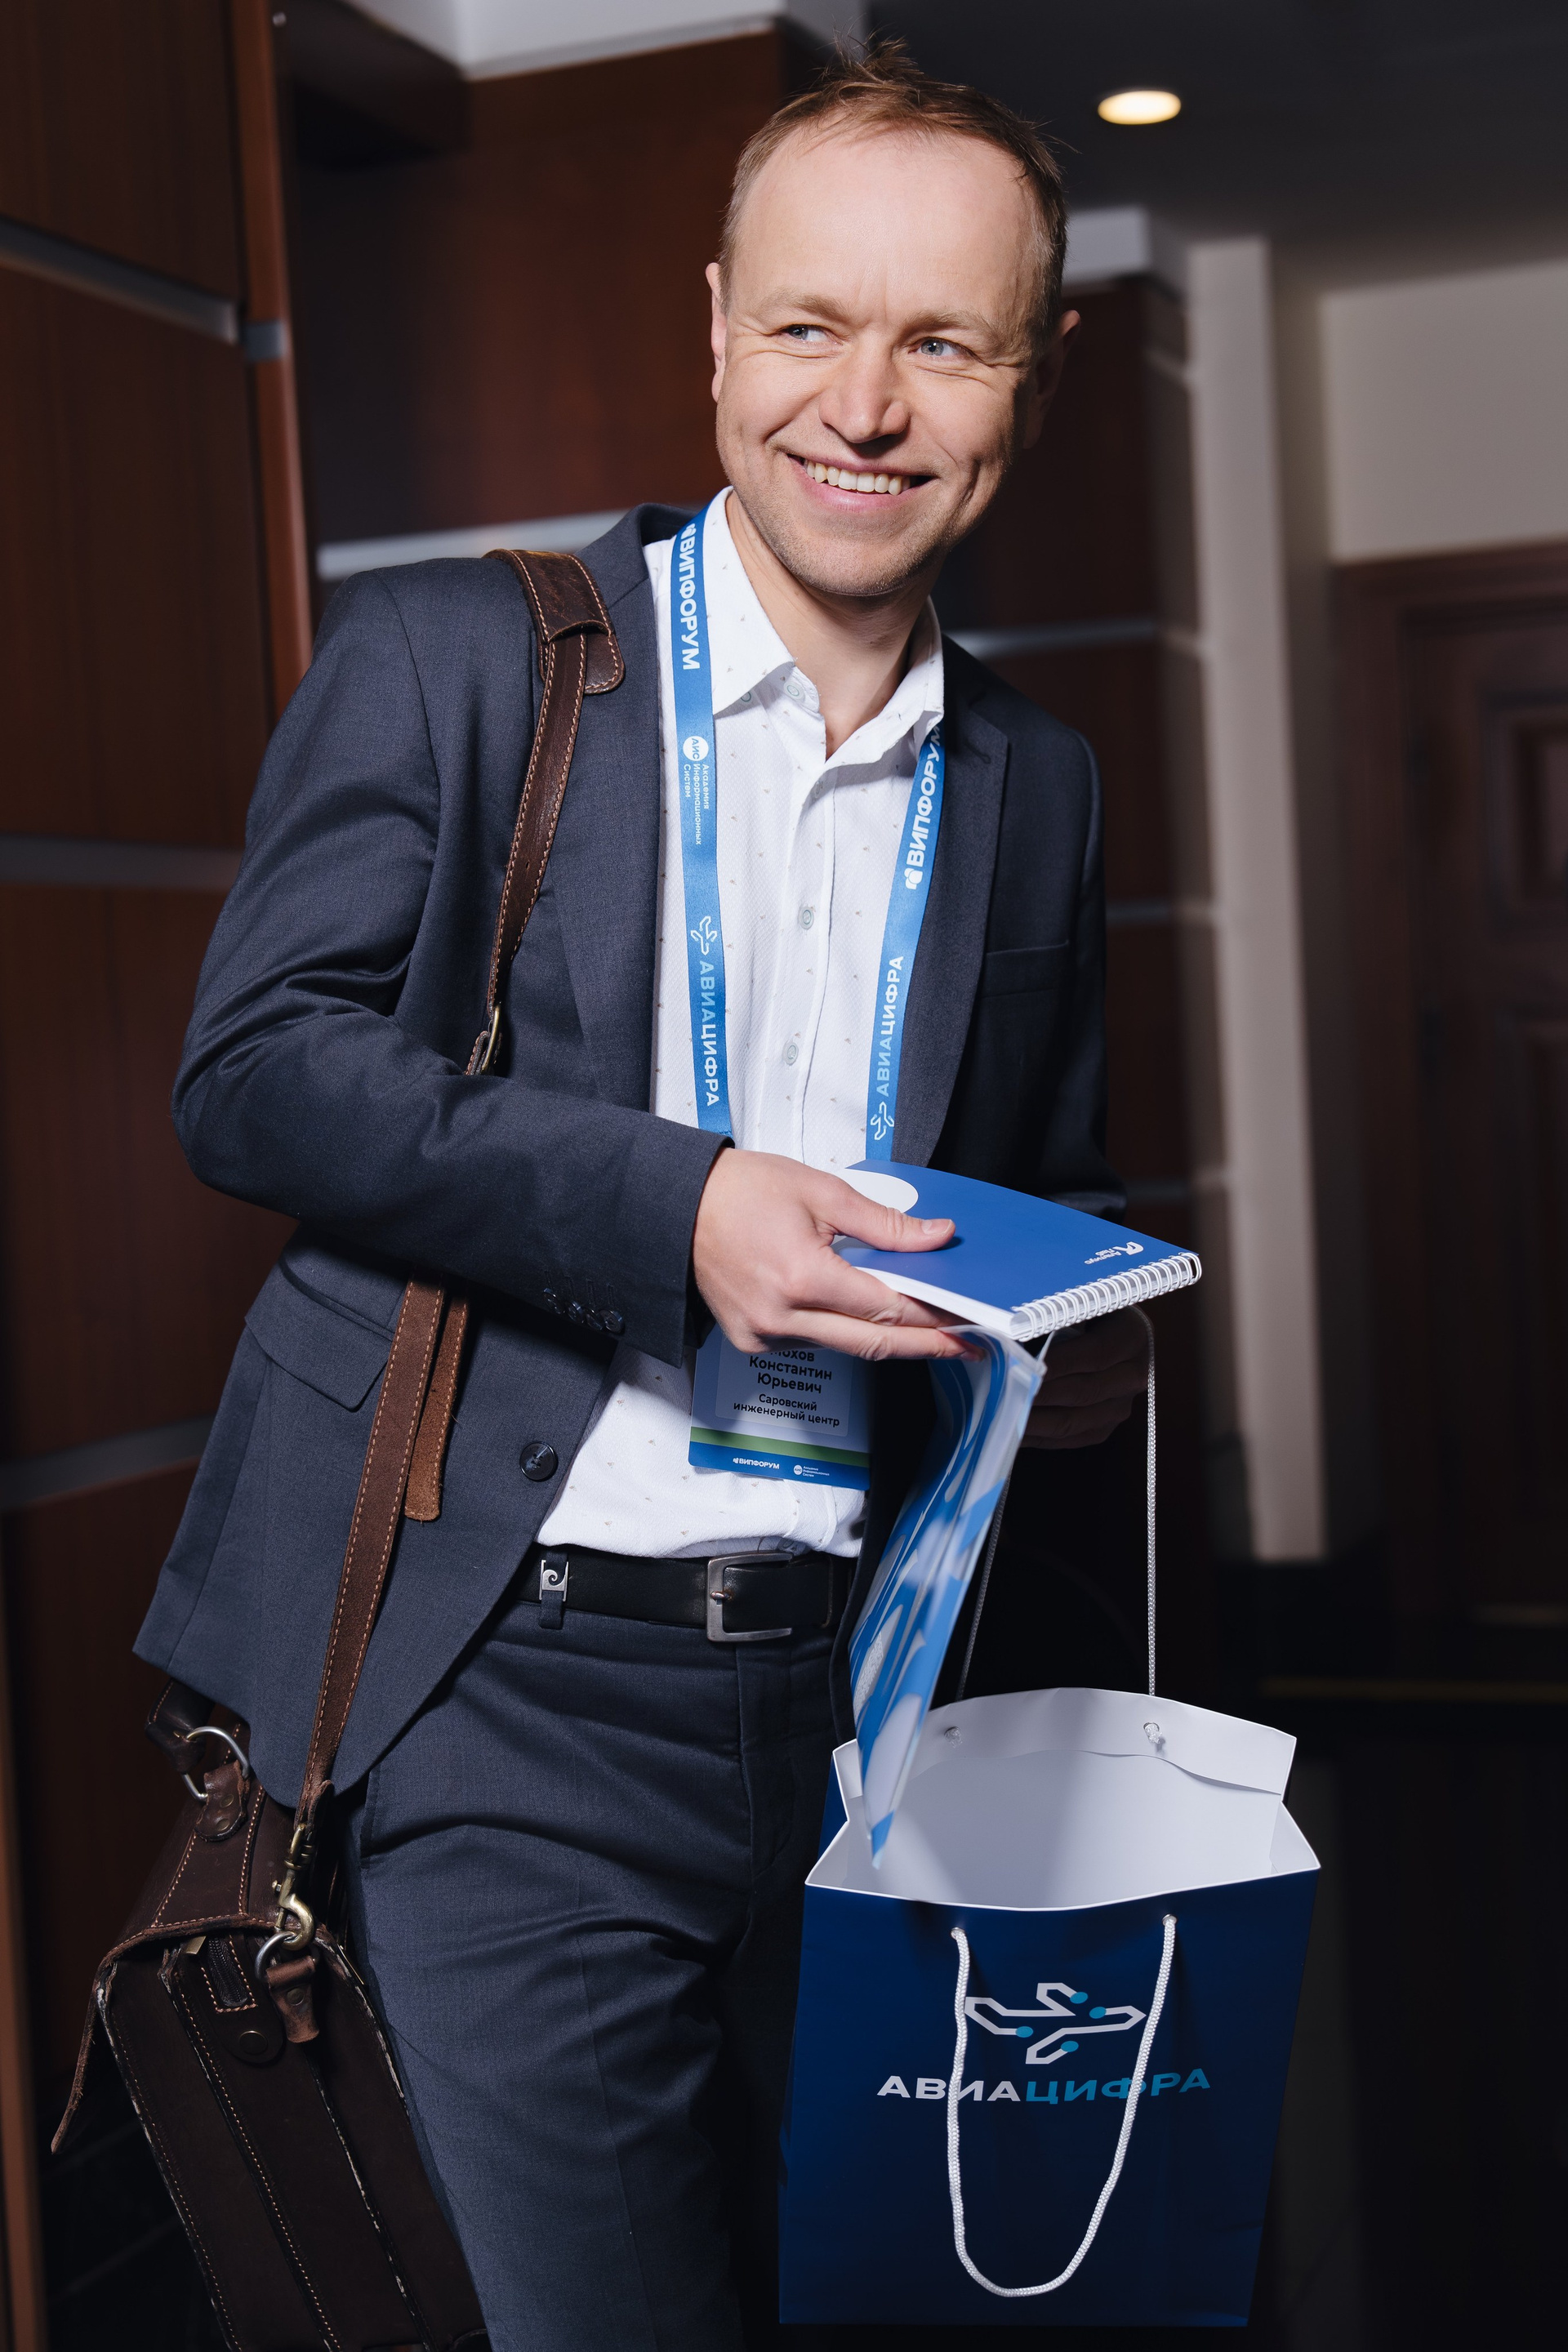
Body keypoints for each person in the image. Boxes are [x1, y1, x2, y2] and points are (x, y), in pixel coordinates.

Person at [138, 39, 1149, 2352]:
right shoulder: (459, 659)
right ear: (714, 329)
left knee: (901, 2303)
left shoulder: (1042, 782)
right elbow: (255, 1073)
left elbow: (1043, 1177)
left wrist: (1081, 1317)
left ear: (1036, 370)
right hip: (507, 1695)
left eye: (943, 343)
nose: (862, 407)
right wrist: (674, 1209)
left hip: (870, 1715)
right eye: (807, 326)